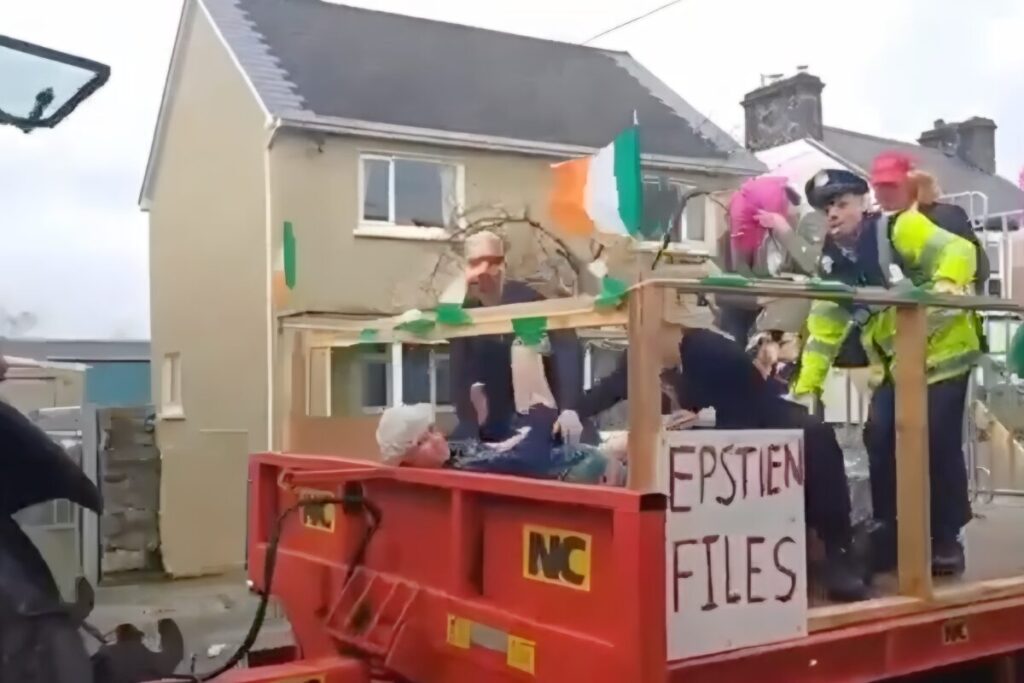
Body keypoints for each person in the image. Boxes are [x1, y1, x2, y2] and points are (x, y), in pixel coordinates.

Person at [555, 297, 869, 602]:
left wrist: (703, 417)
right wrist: (571, 411)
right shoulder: (642, 355)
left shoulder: (709, 349)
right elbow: (610, 388)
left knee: (816, 436)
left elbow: (749, 399)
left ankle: (837, 552)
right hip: (708, 431)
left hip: (758, 417)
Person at [792, 168, 980, 576]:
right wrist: (806, 386)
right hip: (898, 365)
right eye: (827, 209)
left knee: (936, 439)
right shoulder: (831, 265)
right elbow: (824, 330)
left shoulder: (901, 227)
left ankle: (946, 538)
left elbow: (960, 252)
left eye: (842, 204)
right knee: (878, 439)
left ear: (864, 204)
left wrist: (946, 283)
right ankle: (891, 534)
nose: (834, 215)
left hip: (946, 353)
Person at [377, 336, 619, 485]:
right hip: (570, 470)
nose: (436, 439)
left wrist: (507, 437)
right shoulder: (464, 470)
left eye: (431, 430)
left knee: (623, 445)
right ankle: (527, 344)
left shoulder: (455, 452)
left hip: (565, 455)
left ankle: (527, 344)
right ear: (407, 463)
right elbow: (529, 460)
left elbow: (491, 447)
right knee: (523, 355)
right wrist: (541, 415)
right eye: (422, 442)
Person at [448, 231, 594, 443]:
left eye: (492, 262)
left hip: (545, 428)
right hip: (493, 434)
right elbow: (460, 376)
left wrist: (569, 409)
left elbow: (566, 347)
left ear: (504, 264)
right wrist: (470, 427)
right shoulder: (465, 315)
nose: (484, 271)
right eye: (476, 263)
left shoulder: (529, 303)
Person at [715, 176, 826, 345]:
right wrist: (759, 297)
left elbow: (817, 268)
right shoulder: (742, 234)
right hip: (755, 304)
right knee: (732, 316)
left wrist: (785, 232)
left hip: (794, 310)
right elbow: (726, 288)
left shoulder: (810, 222)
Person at [870, 151, 990, 295]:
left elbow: (978, 265)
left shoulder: (945, 216)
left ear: (913, 185)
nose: (885, 194)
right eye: (879, 187)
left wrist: (947, 281)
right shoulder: (875, 225)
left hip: (948, 305)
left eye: (892, 186)